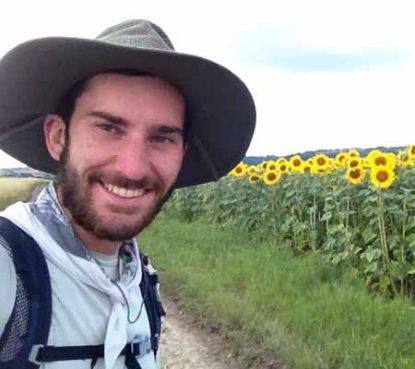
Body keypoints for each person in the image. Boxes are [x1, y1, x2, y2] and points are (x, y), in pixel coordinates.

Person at [0, 19, 255, 369]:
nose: (133, 169)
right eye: (108, 128)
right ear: (58, 136)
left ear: (182, 152)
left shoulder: (139, 280)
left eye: (162, 138)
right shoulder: (9, 267)